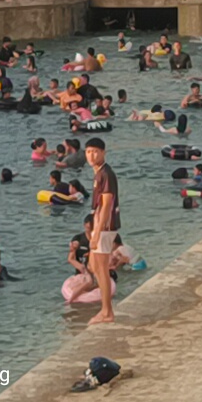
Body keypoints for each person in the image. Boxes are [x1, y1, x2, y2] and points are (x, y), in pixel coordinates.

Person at [84, 137, 118, 324]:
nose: (92, 155)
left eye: (96, 151)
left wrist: (96, 233)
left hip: (104, 226)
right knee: (95, 266)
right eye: (89, 151)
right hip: (100, 225)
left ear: (103, 152)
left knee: (101, 269)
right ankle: (105, 310)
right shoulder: (99, 173)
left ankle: (107, 311)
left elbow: (106, 205)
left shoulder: (105, 174)